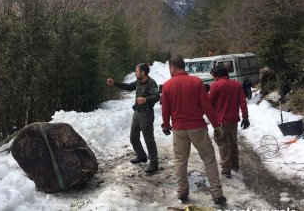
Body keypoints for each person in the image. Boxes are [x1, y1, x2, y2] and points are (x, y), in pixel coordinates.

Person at [161, 55, 226, 204]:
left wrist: (166, 125)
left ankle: (182, 193)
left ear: (172, 68)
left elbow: (166, 110)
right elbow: (206, 106)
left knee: (180, 161)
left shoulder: (167, 85)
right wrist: (216, 125)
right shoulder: (196, 82)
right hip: (198, 127)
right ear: (183, 66)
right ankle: (217, 194)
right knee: (209, 159)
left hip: (178, 129)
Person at [107, 63, 160, 173]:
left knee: (148, 139)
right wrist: (114, 83)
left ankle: (154, 163)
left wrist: (146, 100)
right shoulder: (137, 82)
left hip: (147, 114)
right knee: (133, 137)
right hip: (137, 113)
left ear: (143, 72)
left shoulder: (151, 83)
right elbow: (127, 86)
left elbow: (157, 96)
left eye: (137, 71)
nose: (135, 73)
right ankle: (141, 156)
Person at [209, 65, 250, 178]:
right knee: (233, 142)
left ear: (217, 75)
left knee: (222, 144)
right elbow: (243, 102)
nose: (213, 78)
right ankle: (235, 164)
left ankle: (226, 169)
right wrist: (245, 117)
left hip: (220, 122)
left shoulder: (215, 85)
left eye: (213, 76)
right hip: (233, 121)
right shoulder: (237, 85)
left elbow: (209, 103)